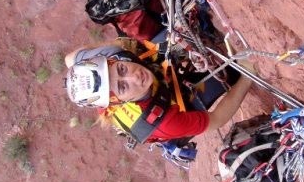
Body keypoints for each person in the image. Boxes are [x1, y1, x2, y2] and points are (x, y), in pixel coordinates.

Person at [64, 40, 257, 143]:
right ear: (119, 102)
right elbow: (216, 119)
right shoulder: (161, 123)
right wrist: (248, 75)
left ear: (112, 61)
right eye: (123, 87)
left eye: (122, 69)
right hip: (169, 104)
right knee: (227, 74)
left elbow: (69, 59)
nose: (134, 77)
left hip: (152, 69)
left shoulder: (107, 58)